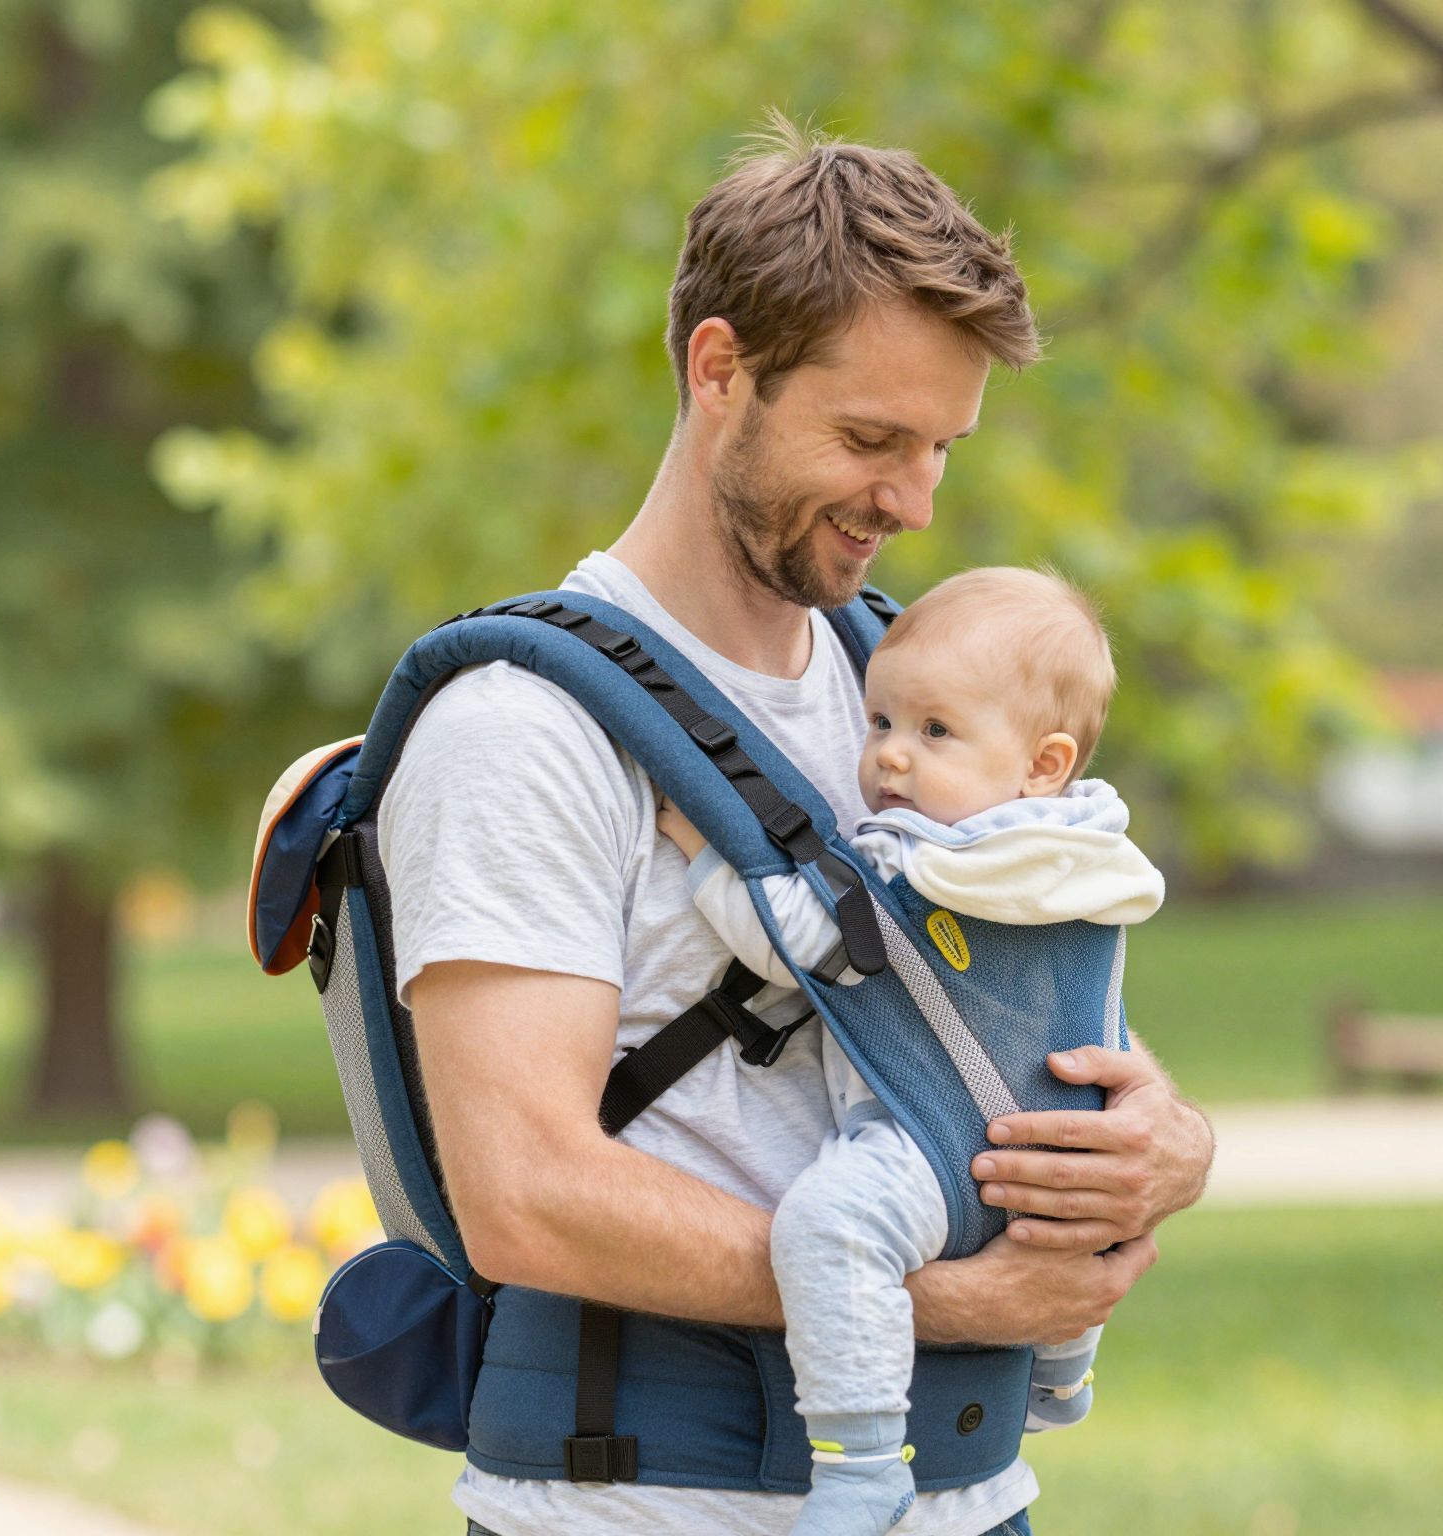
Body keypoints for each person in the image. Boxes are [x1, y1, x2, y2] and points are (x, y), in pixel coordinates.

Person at [381, 114, 1215, 1536]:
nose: (914, 498)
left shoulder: (915, 694)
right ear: (721, 370)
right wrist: (940, 1299)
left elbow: (1009, 1011)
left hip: (970, 1504)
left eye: (943, 446)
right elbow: (524, 1195)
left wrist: (1172, 1144)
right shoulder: (524, 730)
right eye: (872, 437)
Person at [654, 565, 1167, 1536]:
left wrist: (705, 853)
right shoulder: (1086, 851)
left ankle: (857, 1463)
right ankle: (1059, 1372)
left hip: (939, 1145)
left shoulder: (931, 865)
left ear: (1041, 764)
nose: (890, 758)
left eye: (934, 732)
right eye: (881, 722)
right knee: (1068, 1233)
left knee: (827, 1227)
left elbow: (798, 943)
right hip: (1070, 1144)